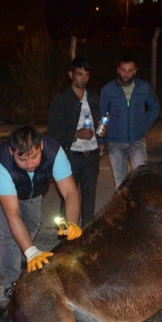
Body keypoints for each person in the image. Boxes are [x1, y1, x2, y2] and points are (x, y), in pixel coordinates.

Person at [0, 126, 82, 298]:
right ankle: (11, 281)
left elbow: (70, 192)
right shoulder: (1, 163)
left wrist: (72, 222)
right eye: (23, 160)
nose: (30, 164)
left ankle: (22, 255)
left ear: (41, 146)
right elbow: (12, 213)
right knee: (9, 233)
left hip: (32, 188)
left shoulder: (54, 152)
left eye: (35, 157)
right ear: (12, 151)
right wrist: (31, 251)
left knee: (33, 224)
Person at [48, 57, 103, 227]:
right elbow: (53, 130)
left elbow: (99, 121)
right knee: (69, 195)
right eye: (79, 74)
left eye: (86, 74)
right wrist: (76, 134)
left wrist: (102, 134)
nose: (83, 78)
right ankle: (66, 236)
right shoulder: (61, 99)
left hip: (92, 155)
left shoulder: (93, 97)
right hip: (71, 155)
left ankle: (86, 234)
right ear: (71, 74)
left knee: (89, 197)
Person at [100, 56, 160, 188]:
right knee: (121, 183)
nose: (126, 74)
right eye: (123, 70)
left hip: (137, 142)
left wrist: (145, 126)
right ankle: (124, 208)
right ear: (118, 70)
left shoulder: (144, 87)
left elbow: (155, 106)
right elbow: (103, 115)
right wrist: (101, 141)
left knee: (142, 180)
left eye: (129, 70)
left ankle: (140, 208)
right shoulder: (108, 89)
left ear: (135, 71)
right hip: (115, 143)